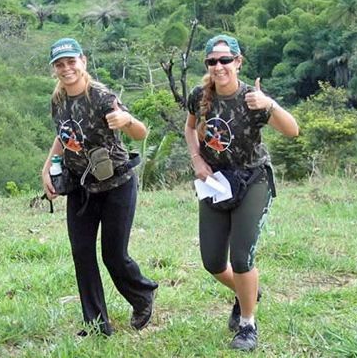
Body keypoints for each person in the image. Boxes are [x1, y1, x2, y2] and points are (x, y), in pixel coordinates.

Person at [184, 35, 298, 351]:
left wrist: (270, 103)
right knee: (212, 261)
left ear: (238, 62)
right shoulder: (199, 95)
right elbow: (190, 127)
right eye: (212, 61)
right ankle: (248, 291)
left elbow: (292, 130)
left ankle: (248, 324)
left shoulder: (251, 98)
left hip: (253, 180)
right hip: (216, 183)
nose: (218, 66)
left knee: (241, 256)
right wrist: (197, 158)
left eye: (225, 60)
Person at [42, 38, 158, 337]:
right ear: (54, 69)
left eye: (71, 62)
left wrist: (126, 119)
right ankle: (96, 325)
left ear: (83, 61)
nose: (66, 68)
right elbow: (64, 134)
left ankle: (142, 294)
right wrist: (48, 166)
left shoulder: (102, 97)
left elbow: (140, 131)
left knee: (113, 254)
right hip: (81, 186)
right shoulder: (58, 100)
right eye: (60, 64)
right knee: (81, 252)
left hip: (117, 183)